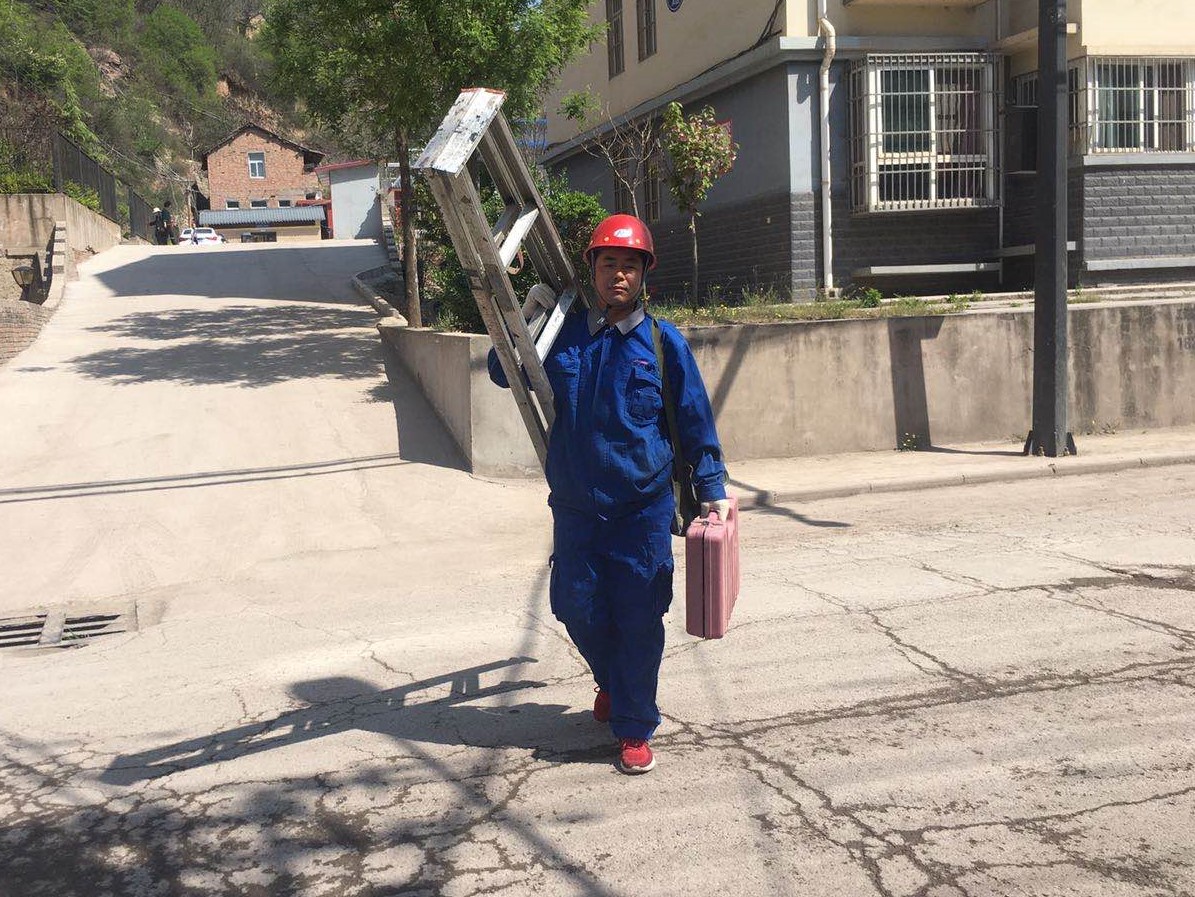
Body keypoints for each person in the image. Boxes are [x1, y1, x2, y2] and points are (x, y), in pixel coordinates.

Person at [488, 214, 730, 774]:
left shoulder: (663, 344)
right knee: (574, 606)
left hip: (641, 511)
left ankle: (635, 725)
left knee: (639, 617)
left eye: (629, 265)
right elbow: (502, 372)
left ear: (644, 275)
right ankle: (614, 684)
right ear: (592, 270)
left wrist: (711, 486)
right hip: (576, 507)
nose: (618, 274)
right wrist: (528, 315)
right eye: (608, 263)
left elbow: (694, 419)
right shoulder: (564, 333)